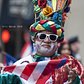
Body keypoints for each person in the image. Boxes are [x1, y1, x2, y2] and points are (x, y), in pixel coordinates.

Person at [14, 0, 84, 83]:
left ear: (57, 42)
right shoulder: (21, 65)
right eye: (42, 36)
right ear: (34, 39)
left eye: (52, 37)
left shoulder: (71, 64)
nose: (47, 40)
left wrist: (74, 81)